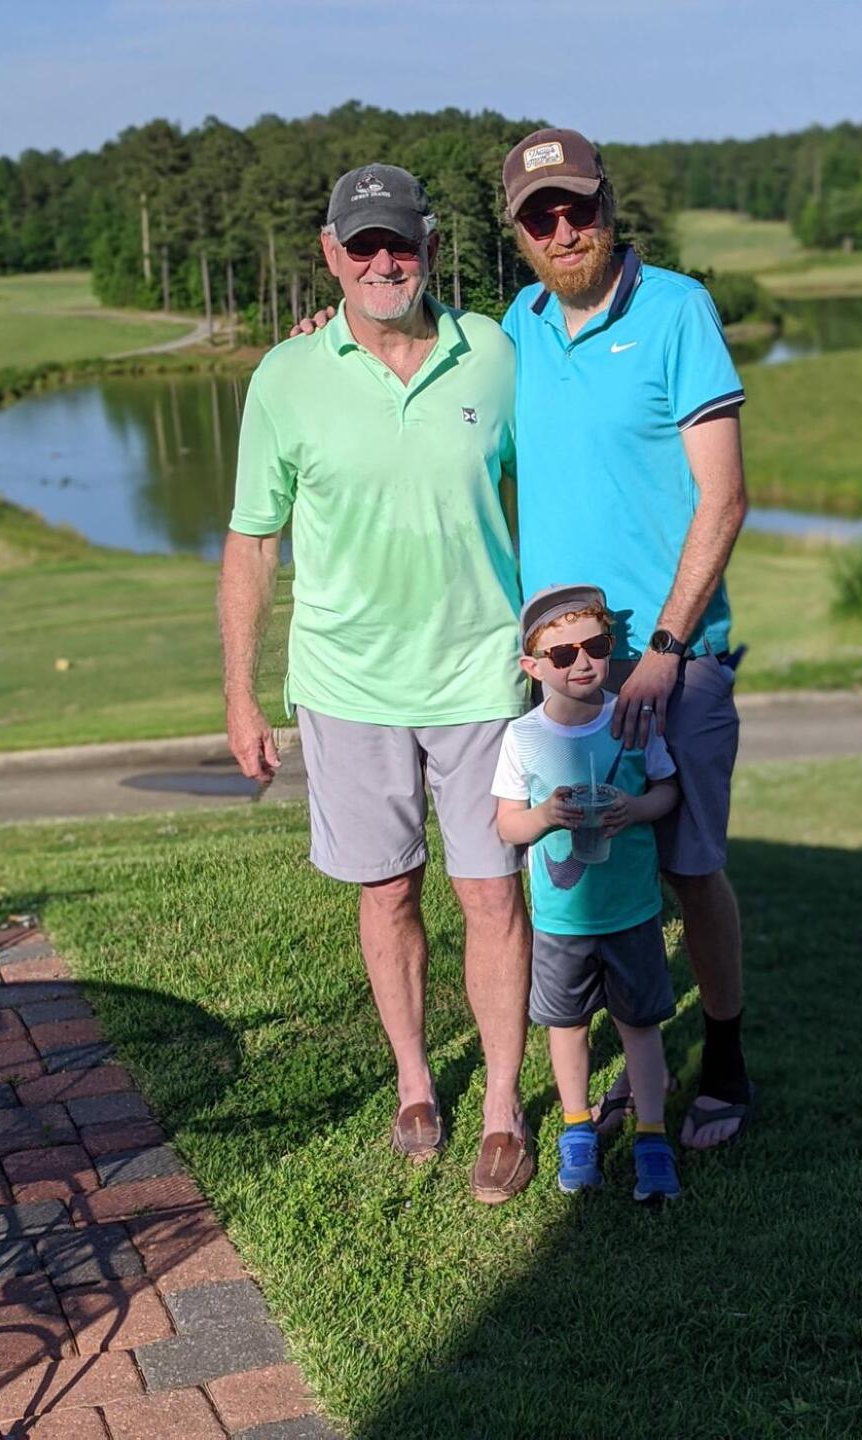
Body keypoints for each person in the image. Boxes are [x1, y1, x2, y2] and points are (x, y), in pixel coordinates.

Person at [220, 163, 535, 1204]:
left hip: (484, 674)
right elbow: (253, 544)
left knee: (491, 892)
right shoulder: (286, 375)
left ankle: (499, 1108)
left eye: (399, 241)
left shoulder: (494, 352)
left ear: (431, 244)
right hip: (346, 685)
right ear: (330, 255)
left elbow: (555, 470)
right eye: (363, 246)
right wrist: (240, 693)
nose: (383, 261)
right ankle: (413, 1084)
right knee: (387, 887)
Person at [500, 129, 756, 1149]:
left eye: (579, 207)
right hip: (568, 672)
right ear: (519, 234)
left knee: (689, 868)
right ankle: (640, 1054)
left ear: (609, 204)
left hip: (668, 661)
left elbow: (724, 497)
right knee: (598, 863)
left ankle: (727, 1061)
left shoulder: (677, 311)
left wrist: (664, 644)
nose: (566, 230)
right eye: (541, 216)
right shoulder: (516, 325)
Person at [493, 584, 682, 1200]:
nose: (580, 662)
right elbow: (507, 824)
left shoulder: (632, 718)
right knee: (567, 1024)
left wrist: (637, 807)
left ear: (611, 649)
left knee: (640, 1024)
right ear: (532, 667)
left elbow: (667, 792)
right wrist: (545, 815)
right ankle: (577, 1128)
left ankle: (652, 1135)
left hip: (631, 910)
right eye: (561, 653)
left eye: (596, 646)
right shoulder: (523, 737)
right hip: (561, 919)